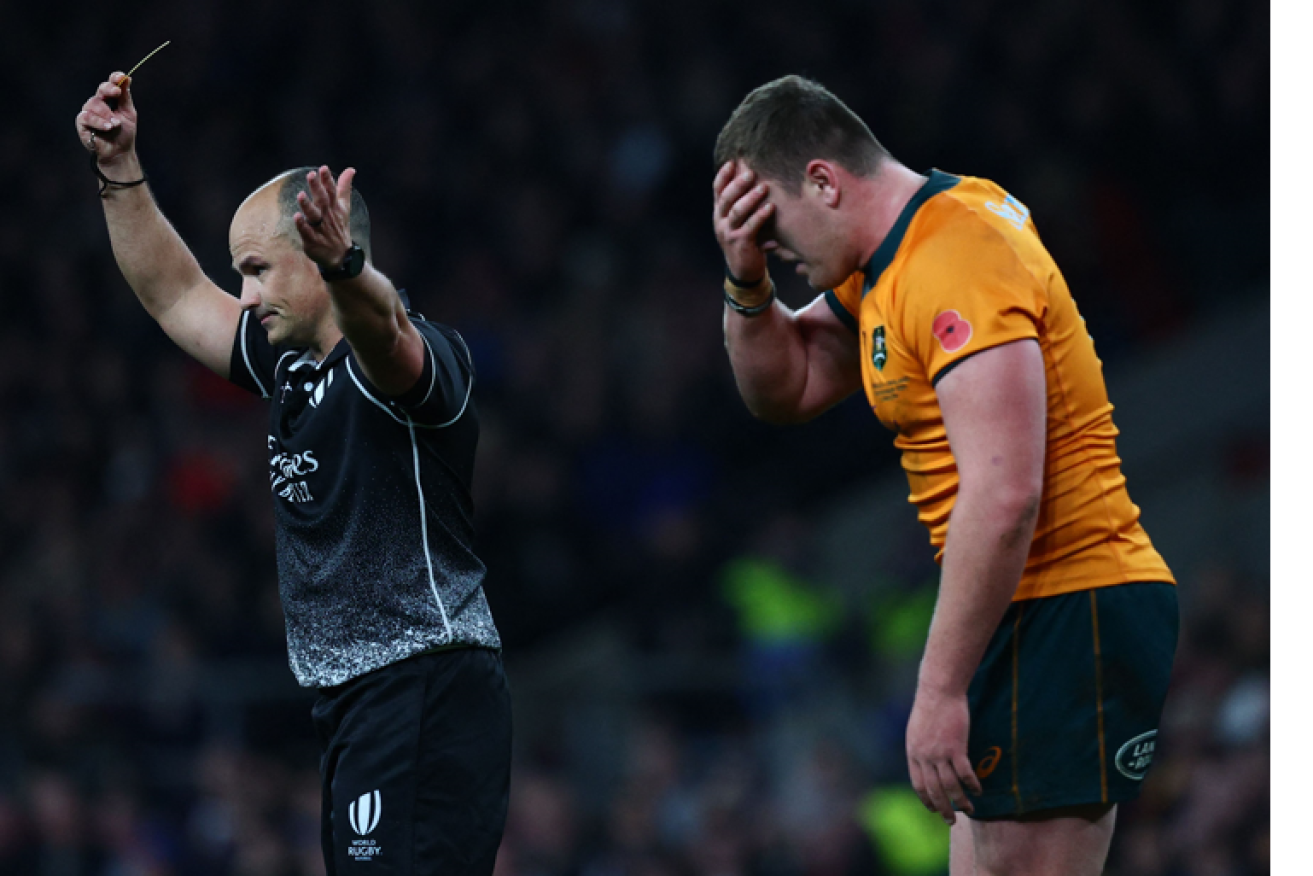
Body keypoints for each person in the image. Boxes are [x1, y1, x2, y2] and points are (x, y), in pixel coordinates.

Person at [711, 75, 1178, 876]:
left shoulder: (954, 255)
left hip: (1068, 605)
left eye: (774, 228)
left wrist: (937, 691)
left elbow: (1004, 494)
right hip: (1024, 612)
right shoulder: (884, 265)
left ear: (822, 181)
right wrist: (745, 282)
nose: (776, 250)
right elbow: (783, 390)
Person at [76, 71, 511, 875]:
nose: (242, 296)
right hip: (357, 704)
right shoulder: (292, 369)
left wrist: (350, 270)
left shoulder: (413, 361)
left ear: (320, 259)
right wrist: (119, 171)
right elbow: (173, 295)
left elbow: (385, 335)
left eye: (257, 269)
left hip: (421, 685)